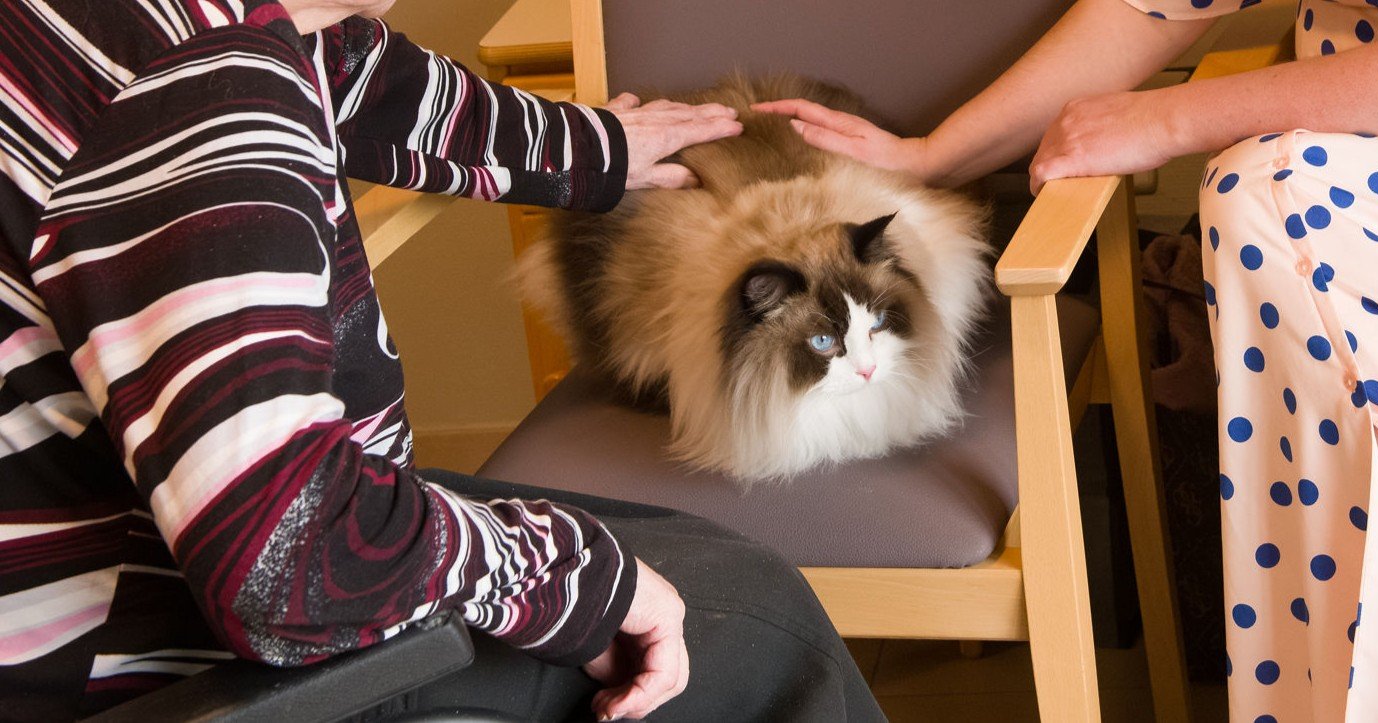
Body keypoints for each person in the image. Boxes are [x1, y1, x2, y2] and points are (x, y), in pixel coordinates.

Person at [0, 0, 881, 720]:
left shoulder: (126, 26)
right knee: (758, 624)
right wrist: (571, 576)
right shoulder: (203, 100)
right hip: (139, 659)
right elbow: (284, 560)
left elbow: (347, 70)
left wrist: (586, 149)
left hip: (181, 533)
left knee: (702, 559)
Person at [761, 0, 1378, 720]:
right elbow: (1153, 7)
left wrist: (1172, 119)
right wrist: (932, 157)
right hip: (1363, 200)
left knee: (1268, 193)